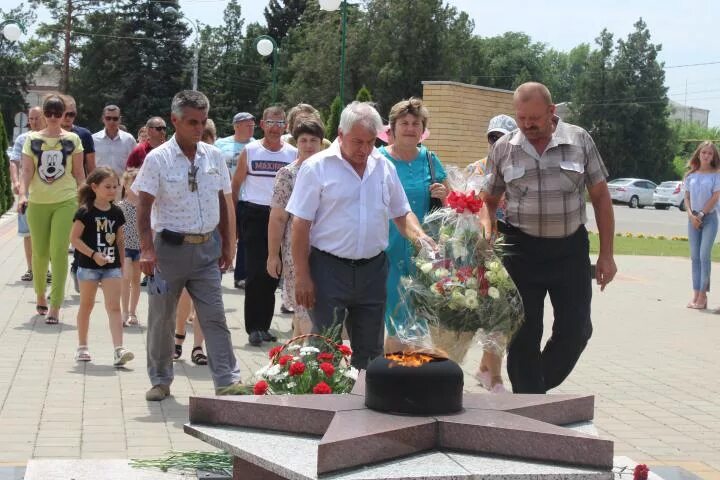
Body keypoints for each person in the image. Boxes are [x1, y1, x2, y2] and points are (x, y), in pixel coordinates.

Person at [480, 82, 617, 394]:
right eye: (522, 118)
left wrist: (607, 255)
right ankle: (528, 402)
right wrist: (488, 229)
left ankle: (535, 385)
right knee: (523, 334)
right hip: (521, 251)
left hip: (569, 250)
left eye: (535, 119)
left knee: (577, 330)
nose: (528, 125)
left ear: (552, 112)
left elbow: (600, 198)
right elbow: (487, 201)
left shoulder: (579, 140)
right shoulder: (504, 148)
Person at [287, 101, 433, 369]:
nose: (364, 150)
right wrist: (302, 275)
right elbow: (300, 224)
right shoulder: (316, 167)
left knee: (370, 351)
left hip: (373, 271)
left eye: (370, 142)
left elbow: (402, 213)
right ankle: (326, 405)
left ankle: (364, 404)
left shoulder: (383, 166)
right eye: (357, 142)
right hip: (328, 270)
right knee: (325, 349)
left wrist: (421, 238)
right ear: (340, 135)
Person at [133, 90, 241, 400]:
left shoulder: (214, 156)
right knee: (161, 319)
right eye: (191, 122)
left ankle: (227, 381)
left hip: (207, 249)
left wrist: (227, 244)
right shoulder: (158, 159)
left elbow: (223, 201)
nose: (198, 128)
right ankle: (161, 380)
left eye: (203, 121)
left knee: (215, 317)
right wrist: (147, 249)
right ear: (175, 120)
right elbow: (143, 207)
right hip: (168, 251)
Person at [378, 98, 449, 354]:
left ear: (422, 129)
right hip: (389, 248)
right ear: (392, 128)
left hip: (425, 251)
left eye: (415, 123)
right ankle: (394, 374)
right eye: (404, 123)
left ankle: (412, 375)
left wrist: (444, 194)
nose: (409, 128)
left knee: (419, 315)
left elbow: (450, 205)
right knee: (396, 315)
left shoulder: (430, 159)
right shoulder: (379, 159)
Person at [17, 94, 86, 324]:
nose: (54, 117)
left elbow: (79, 173)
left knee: (58, 251)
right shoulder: (31, 139)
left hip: (66, 201)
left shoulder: (74, 139)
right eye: (50, 113)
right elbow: (26, 171)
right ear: (44, 115)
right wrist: (23, 195)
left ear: (65, 114)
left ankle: (55, 304)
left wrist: (85, 199)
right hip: (37, 202)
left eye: (59, 113)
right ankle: (39, 294)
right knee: (40, 253)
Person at [231, 106, 297, 346]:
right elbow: (236, 184)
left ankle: (265, 326)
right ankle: (253, 327)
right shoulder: (250, 150)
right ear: (262, 124)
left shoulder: (292, 153)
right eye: (270, 122)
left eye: (280, 123)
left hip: (282, 217)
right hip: (254, 214)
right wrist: (235, 218)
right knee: (256, 272)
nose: (275, 127)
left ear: (286, 127)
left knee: (273, 273)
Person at [467, 113, 518, 393]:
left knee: (507, 315)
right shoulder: (475, 169)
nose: (497, 142)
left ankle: (487, 368)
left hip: (514, 248)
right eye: (493, 137)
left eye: (503, 137)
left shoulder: (517, 167)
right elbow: (462, 206)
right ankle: (493, 376)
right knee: (494, 313)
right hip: (482, 249)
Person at [70, 167, 134, 365]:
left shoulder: (117, 212)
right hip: (88, 266)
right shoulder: (84, 211)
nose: (112, 190)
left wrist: (123, 263)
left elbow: (121, 240)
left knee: (114, 307)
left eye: (115, 186)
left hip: (111, 267)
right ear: (94, 187)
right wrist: (93, 254)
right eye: (107, 186)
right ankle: (82, 347)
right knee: (87, 305)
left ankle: (118, 349)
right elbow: (74, 239)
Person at [267, 118, 325, 337]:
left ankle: (296, 361)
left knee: (314, 313)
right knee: (304, 309)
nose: (308, 145)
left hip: (327, 250)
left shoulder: (329, 171)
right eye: (303, 140)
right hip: (297, 251)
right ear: (296, 143)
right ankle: (306, 363)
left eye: (313, 140)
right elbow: (278, 217)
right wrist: (273, 255)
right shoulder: (287, 174)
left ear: (321, 143)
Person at [61, 94, 97, 292]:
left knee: (80, 233)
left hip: (79, 191)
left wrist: (93, 190)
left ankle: (76, 268)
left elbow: (90, 165)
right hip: (56, 192)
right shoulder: (48, 135)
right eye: (65, 113)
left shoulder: (83, 134)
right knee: (58, 236)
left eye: (72, 114)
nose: (68, 118)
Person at [216, 112, 255, 290]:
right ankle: (217, 271)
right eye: (247, 125)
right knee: (224, 234)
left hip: (247, 198)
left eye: (253, 125)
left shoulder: (256, 146)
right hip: (224, 198)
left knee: (245, 238)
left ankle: (241, 276)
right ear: (236, 125)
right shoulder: (221, 144)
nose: (251, 128)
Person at [8, 106, 45, 282]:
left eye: (37, 118)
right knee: (28, 232)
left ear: (45, 117)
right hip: (27, 192)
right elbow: (14, 161)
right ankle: (31, 269)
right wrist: (16, 182)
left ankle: (46, 269)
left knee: (47, 232)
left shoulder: (52, 138)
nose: (33, 122)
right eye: (31, 119)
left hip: (47, 192)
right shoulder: (23, 139)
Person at [683, 141, 720, 310]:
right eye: (703, 152)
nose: (706, 156)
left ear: (713, 157)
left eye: (709, 153)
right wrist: (691, 215)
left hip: (709, 218)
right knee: (694, 257)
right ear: (699, 154)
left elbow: (714, 197)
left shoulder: (716, 175)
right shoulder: (691, 175)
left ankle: (703, 295)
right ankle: (696, 294)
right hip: (693, 220)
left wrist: (702, 214)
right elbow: (687, 198)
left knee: (704, 255)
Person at [117, 168, 142, 326]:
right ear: (125, 185)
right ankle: (124, 311)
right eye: (133, 183)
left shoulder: (146, 206)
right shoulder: (119, 206)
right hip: (125, 247)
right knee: (125, 279)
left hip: (140, 248)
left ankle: (133, 312)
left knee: (136, 281)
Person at [92, 105, 137, 179]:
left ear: (120, 119)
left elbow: (135, 164)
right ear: (103, 119)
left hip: (123, 185)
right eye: (108, 118)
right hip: (100, 185)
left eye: (115, 119)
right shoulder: (94, 139)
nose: (111, 121)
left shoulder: (129, 139)